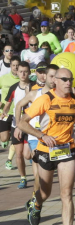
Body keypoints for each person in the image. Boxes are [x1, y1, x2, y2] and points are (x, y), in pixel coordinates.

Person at [19, 68, 75, 225]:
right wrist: (42, 135)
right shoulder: (45, 99)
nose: (68, 82)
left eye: (70, 79)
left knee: (67, 194)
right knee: (45, 193)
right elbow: (22, 122)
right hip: (45, 150)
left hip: (67, 149)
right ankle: (35, 204)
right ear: (55, 81)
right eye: (64, 79)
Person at [14, 64, 58, 204]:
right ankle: (36, 202)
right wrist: (18, 125)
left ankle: (35, 199)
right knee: (38, 174)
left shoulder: (60, 95)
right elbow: (19, 105)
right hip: (35, 137)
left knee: (42, 177)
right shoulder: (35, 93)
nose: (50, 78)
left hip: (54, 139)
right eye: (49, 75)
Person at [1, 61, 33, 189]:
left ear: (29, 72)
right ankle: (23, 178)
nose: (23, 74)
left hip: (30, 125)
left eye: (25, 71)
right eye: (21, 71)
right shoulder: (14, 87)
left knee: (27, 155)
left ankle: (35, 161)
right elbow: (7, 103)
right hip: (16, 123)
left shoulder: (34, 87)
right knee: (19, 154)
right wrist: (3, 112)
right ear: (17, 72)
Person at [0, 56, 20, 150]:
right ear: (10, 66)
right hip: (4, 112)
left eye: (17, 65)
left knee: (16, 139)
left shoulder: (23, 79)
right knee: (4, 138)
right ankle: (6, 137)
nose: (15, 67)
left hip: (17, 113)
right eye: (13, 65)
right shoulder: (4, 78)